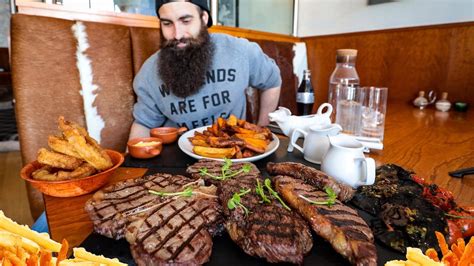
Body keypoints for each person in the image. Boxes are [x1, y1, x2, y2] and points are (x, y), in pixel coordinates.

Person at [129, 0, 281, 139]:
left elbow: (272, 81)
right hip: (176, 157)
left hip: (233, 152)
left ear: (204, 18)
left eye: (186, 21)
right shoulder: (149, 72)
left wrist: (262, 130)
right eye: (167, 23)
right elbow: (144, 124)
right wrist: (130, 165)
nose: (177, 34)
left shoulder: (240, 50)